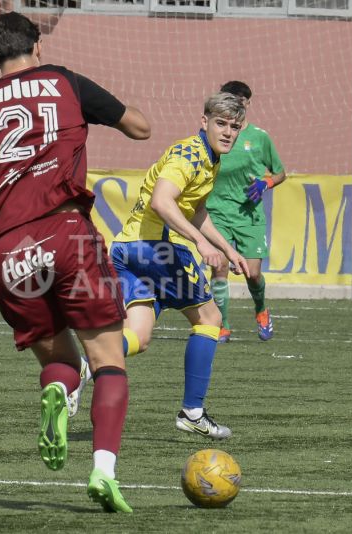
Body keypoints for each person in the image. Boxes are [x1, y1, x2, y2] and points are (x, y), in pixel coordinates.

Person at [0, 12, 150, 513]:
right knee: (108, 361)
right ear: (37, 46)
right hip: (68, 235)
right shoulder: (65, 82)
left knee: (62, 362)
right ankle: (103, 471)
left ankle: (59, 391)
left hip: (11, 250)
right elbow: (139, 128)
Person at [110, 92, 249, 440]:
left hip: (127, 248)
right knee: (210, 319)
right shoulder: (189, 153)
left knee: (139, 337)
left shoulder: (209, 159)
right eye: (221, 123)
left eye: (234, 127)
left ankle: (81, 368)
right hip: (158, 249)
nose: (227, 132)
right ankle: (192, 412)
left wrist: (227, 249)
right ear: (204, 122)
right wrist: (200, 243)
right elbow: (162, 201)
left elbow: (196, 211)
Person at [206, 81, 287, 343]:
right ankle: (222, 324)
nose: (236, 104)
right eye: (230, 98)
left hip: (249, 216)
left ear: (248, 103)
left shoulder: (260, 137)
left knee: (253, 274)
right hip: (217, 212)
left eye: (241, 100)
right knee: (219, 268)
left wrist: (266, 183)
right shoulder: (213, 134)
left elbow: (280, 172)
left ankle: (261, 309)